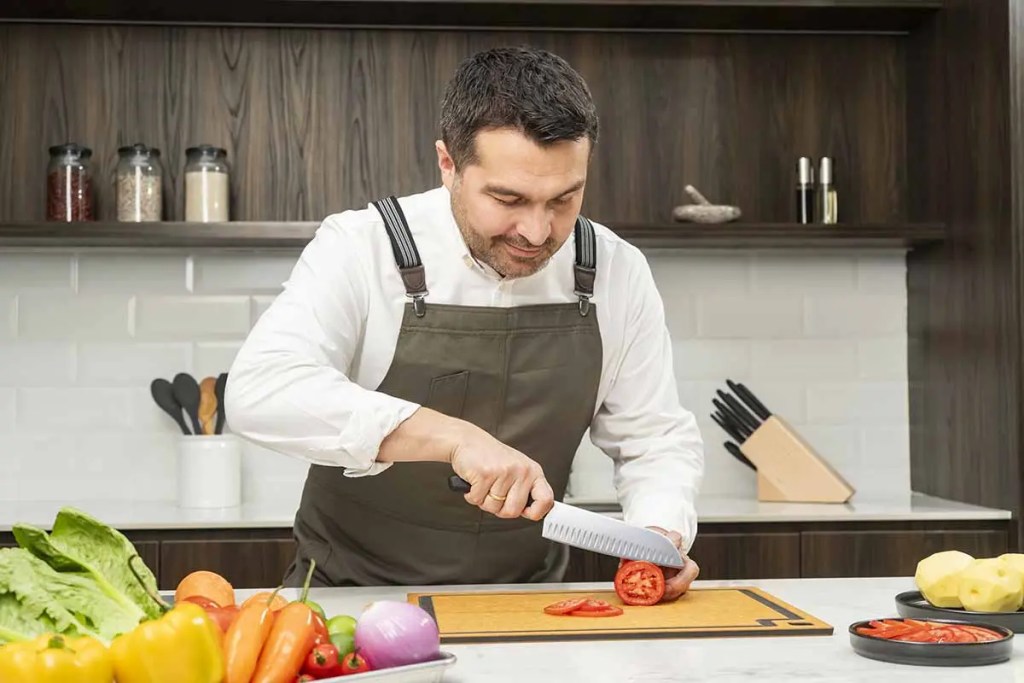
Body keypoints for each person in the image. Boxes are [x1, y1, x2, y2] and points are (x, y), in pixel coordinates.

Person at [225, 45, 704, 600]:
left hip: (530, 601)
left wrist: (658, 535)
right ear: (448, 165)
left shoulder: (614, 269)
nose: (536, 231)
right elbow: (261, 390)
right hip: (351, 597)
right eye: (508, 198)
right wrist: (453, 436)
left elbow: (653, 438)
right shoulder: (363, 245)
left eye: (564, 199)